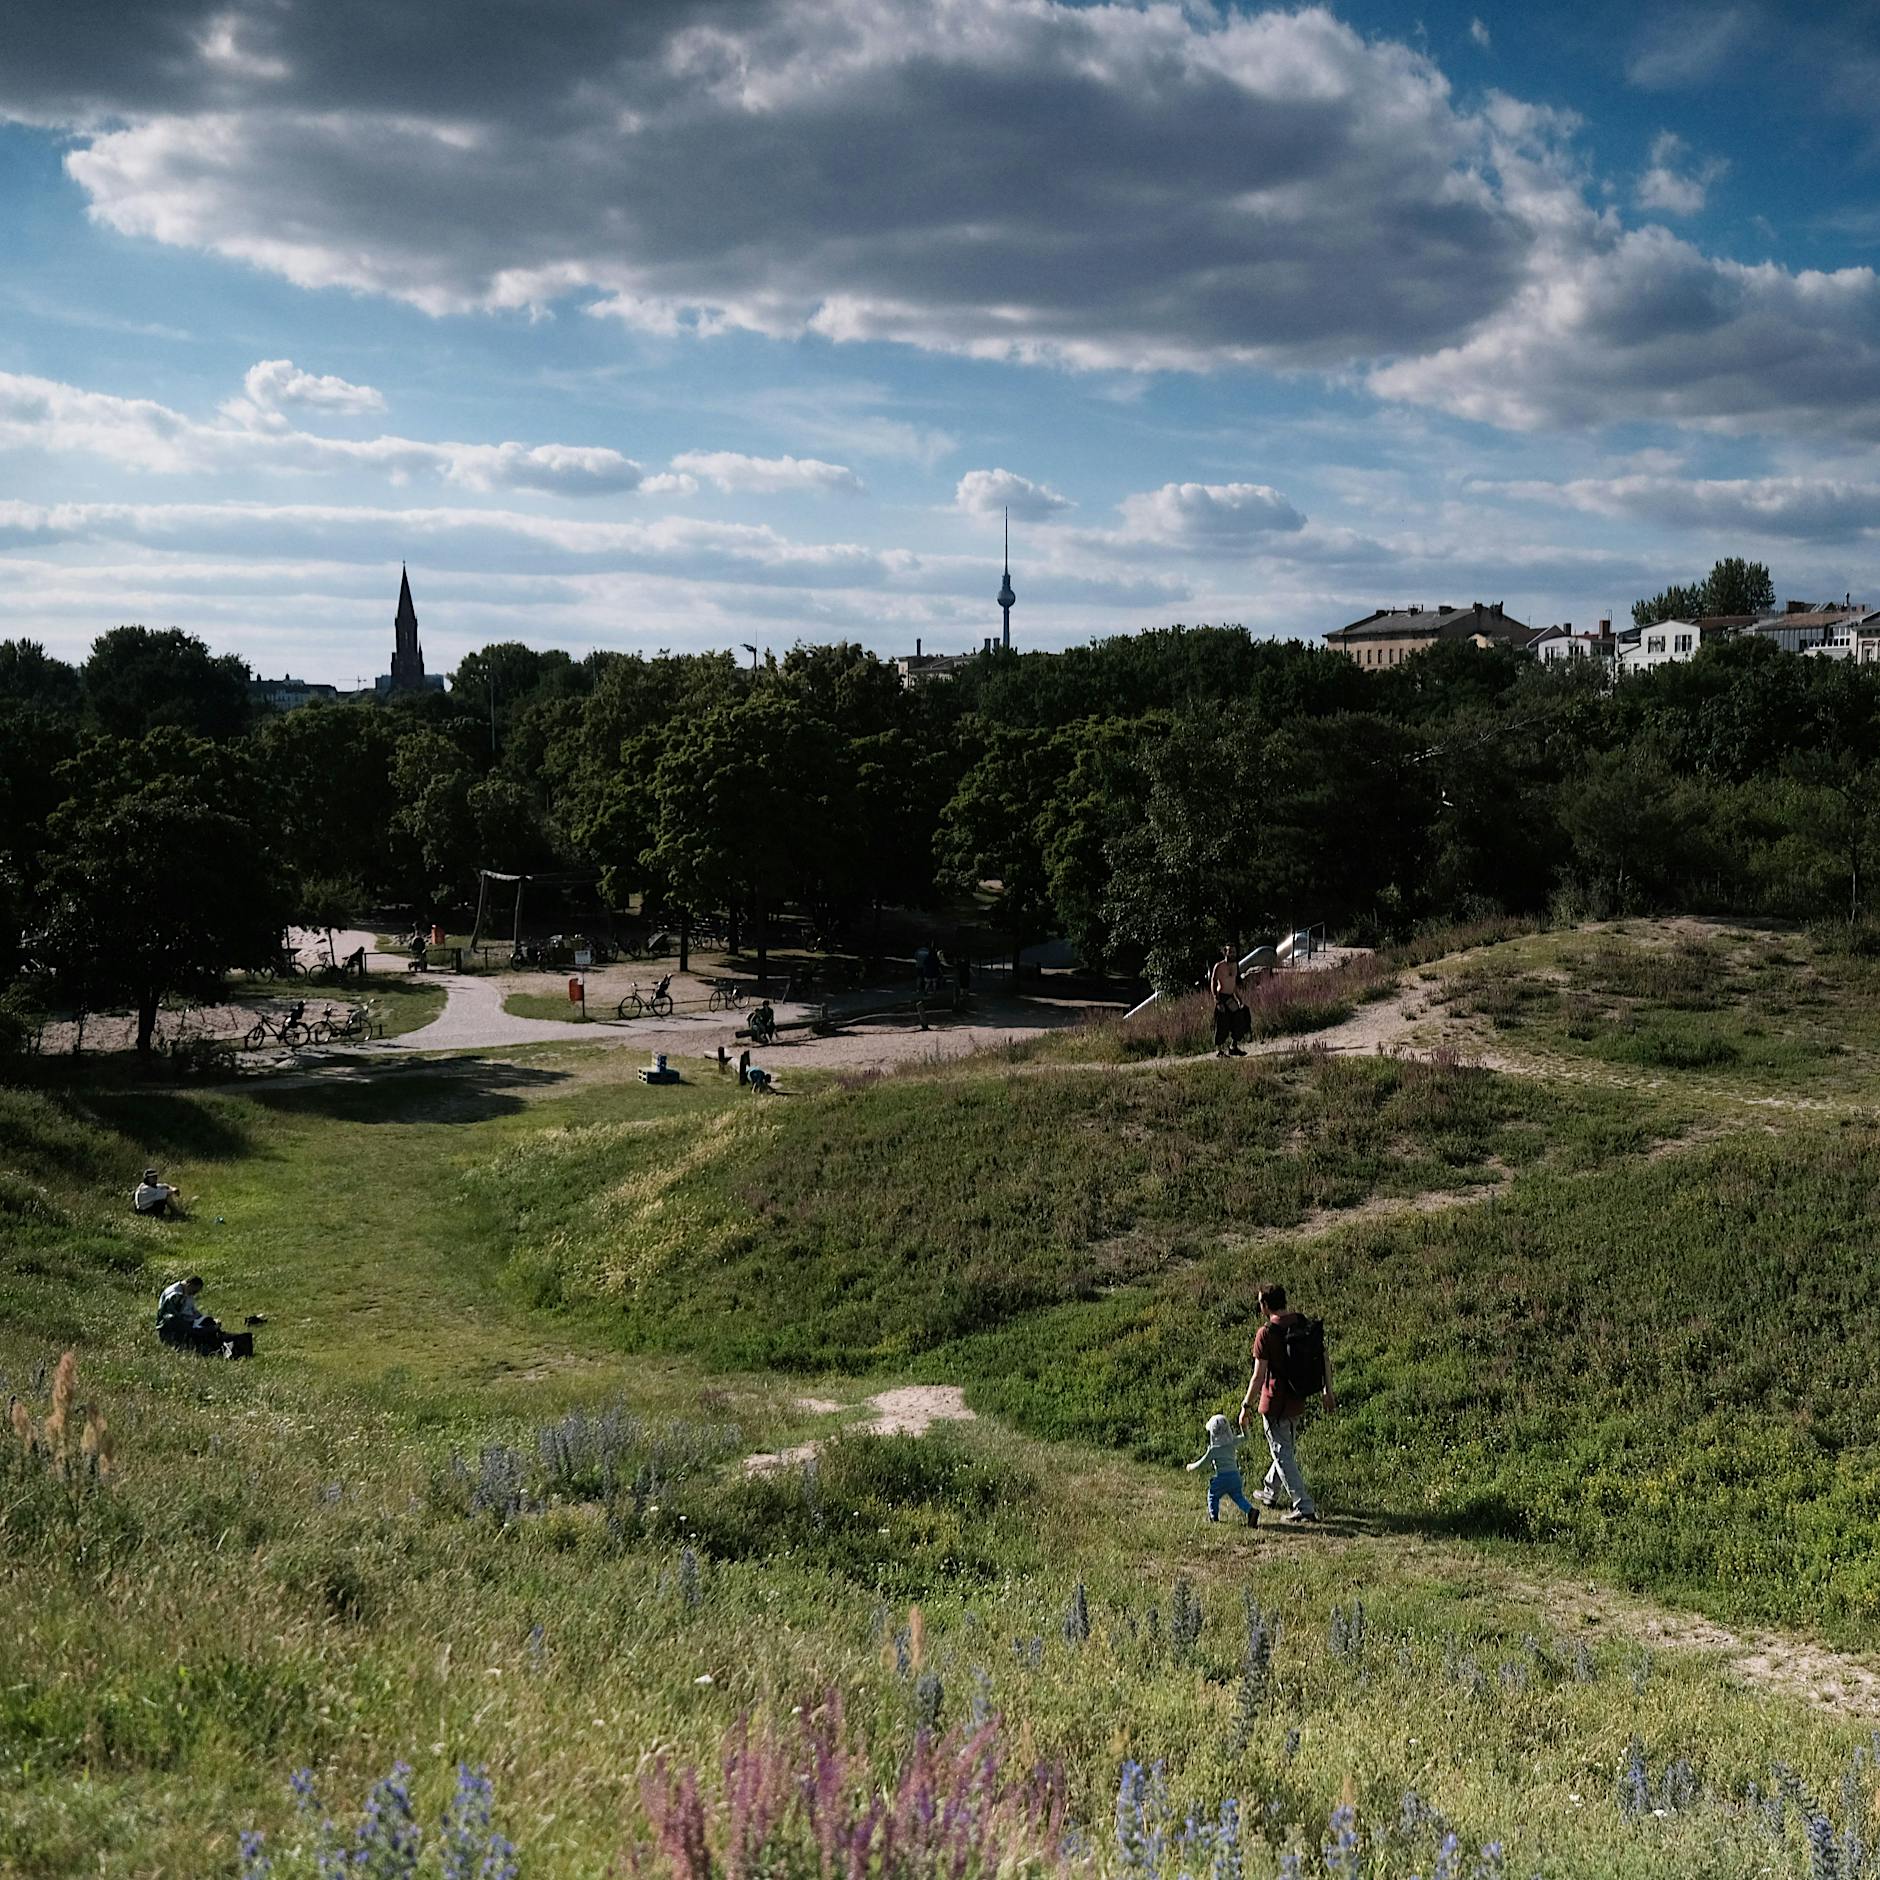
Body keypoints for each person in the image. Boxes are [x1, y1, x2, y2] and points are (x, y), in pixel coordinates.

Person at [1238, 1283, 1334, 1523]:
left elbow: (1258, 1376)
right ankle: (1270, 1491)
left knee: (1282, 1454)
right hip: (1297, 1398)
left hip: (1274, 1404)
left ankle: (1303, 1505)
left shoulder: (1266, 1333)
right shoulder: (1302, 1323)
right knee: (1283, 1450)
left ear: (1265, 1305)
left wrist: (1246, 1406)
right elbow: (1323, 1359)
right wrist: (1327, 1391)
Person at [1186, 1412, 1259, 1527]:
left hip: (1222, 1478)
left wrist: (1191, 1467)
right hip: (1235, 1477)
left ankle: (1213, 1517)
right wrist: (1243, 1426)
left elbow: (1202, 1463)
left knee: (1212, 1495)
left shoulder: (1213, 1450)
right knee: (1238, 1497)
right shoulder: (1232, 1442)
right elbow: (1246, 1437)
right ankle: (1251, 1511)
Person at [1210, 943, 1247, 1057]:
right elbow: (1213, 982)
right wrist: (1217, 1000)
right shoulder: (1219, 966)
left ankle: (1233, 1047)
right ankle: (1219, 1050)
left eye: (1234, 952)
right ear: (1225, 953)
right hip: (1222, 997)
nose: (1232, 954)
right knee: (1222, 1024)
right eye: (1230, 952)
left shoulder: (1235, 965)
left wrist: (1239, 999)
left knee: (1239, 1019)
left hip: (1231, 997)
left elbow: (1233, 984)